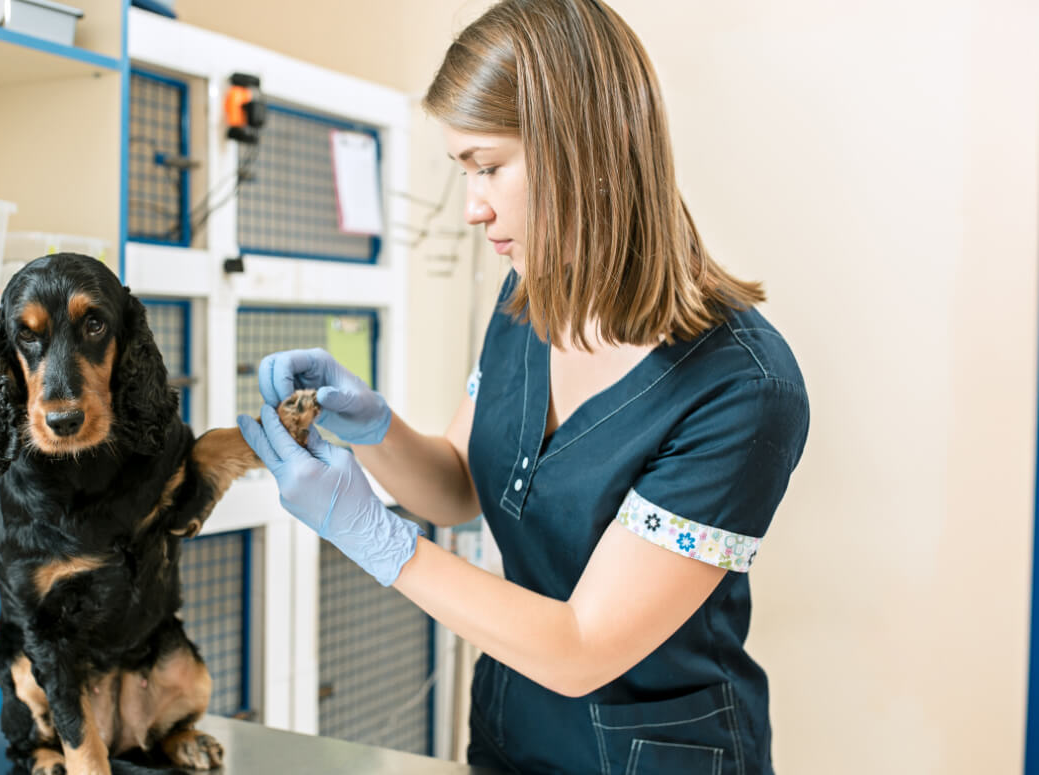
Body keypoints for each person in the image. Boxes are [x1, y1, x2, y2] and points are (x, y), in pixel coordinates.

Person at [236, 1, 809, 772]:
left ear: (585, 148)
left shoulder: (743, 388)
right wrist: (373, 429)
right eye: (464, 172)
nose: (473, 209)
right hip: (510, 731)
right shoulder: (530, 300)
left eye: (489, 167)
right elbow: (459, 487)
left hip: (652, 756)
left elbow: (583, 647)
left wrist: (375, 535)